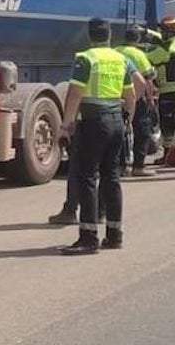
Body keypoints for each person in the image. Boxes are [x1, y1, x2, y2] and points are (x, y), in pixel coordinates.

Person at [59, 18, 148, 254]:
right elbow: (131, 93)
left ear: (90, 36)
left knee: (88, 177)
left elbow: (75, 92)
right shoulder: (121, 59)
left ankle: (88, 238)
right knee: (112, 178)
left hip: (93, 121)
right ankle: (114, 235)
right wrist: (128, 118)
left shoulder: (86, 58)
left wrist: (66, 124)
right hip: (116, 121)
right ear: (109, 36)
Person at [118, 25, 158, 177]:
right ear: (137, 39)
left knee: (122, 132)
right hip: (136, 97)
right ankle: (138, 167)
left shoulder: (116, 51)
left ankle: (121, 166)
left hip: (117, 97)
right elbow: (147, 79)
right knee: (142, 131)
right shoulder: (139, 54)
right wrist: (150, 99)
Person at [148, 15, 175, 164]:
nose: (161, 33)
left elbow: (148, 58)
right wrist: (149, 33)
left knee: (167, 125)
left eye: (163, 30)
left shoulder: (165, 49)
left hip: (168, 91)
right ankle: (173, 154)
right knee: (174, 123)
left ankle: (167, 156)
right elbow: (161, 40)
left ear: (170, 33)